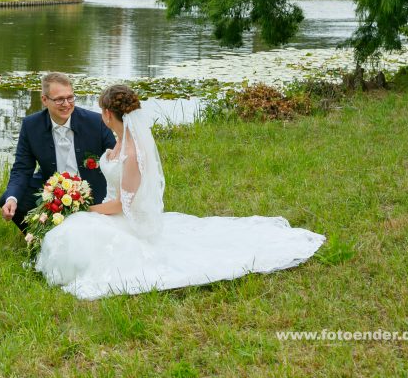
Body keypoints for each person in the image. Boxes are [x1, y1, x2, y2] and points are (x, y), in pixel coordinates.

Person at [35, 84, 326, 299]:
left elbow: (124, 206)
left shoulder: (133, 154)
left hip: (126, 219)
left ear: (109, 114)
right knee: (76, 232)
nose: (101, 116)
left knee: (79, 232)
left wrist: (87, 209)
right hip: (114, 209)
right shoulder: (119, 140)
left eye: (102, 111)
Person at [0, 72, 116, 232]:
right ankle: (38, 237)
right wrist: (11, 198)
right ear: (44, 100)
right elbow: (22, 168)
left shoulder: (96, 122)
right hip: (53, 192)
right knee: (10, 198)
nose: (66, 104)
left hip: (93, 192)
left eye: (70, 97)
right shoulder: (31, 125)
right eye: (59, 99)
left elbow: (116, 161)